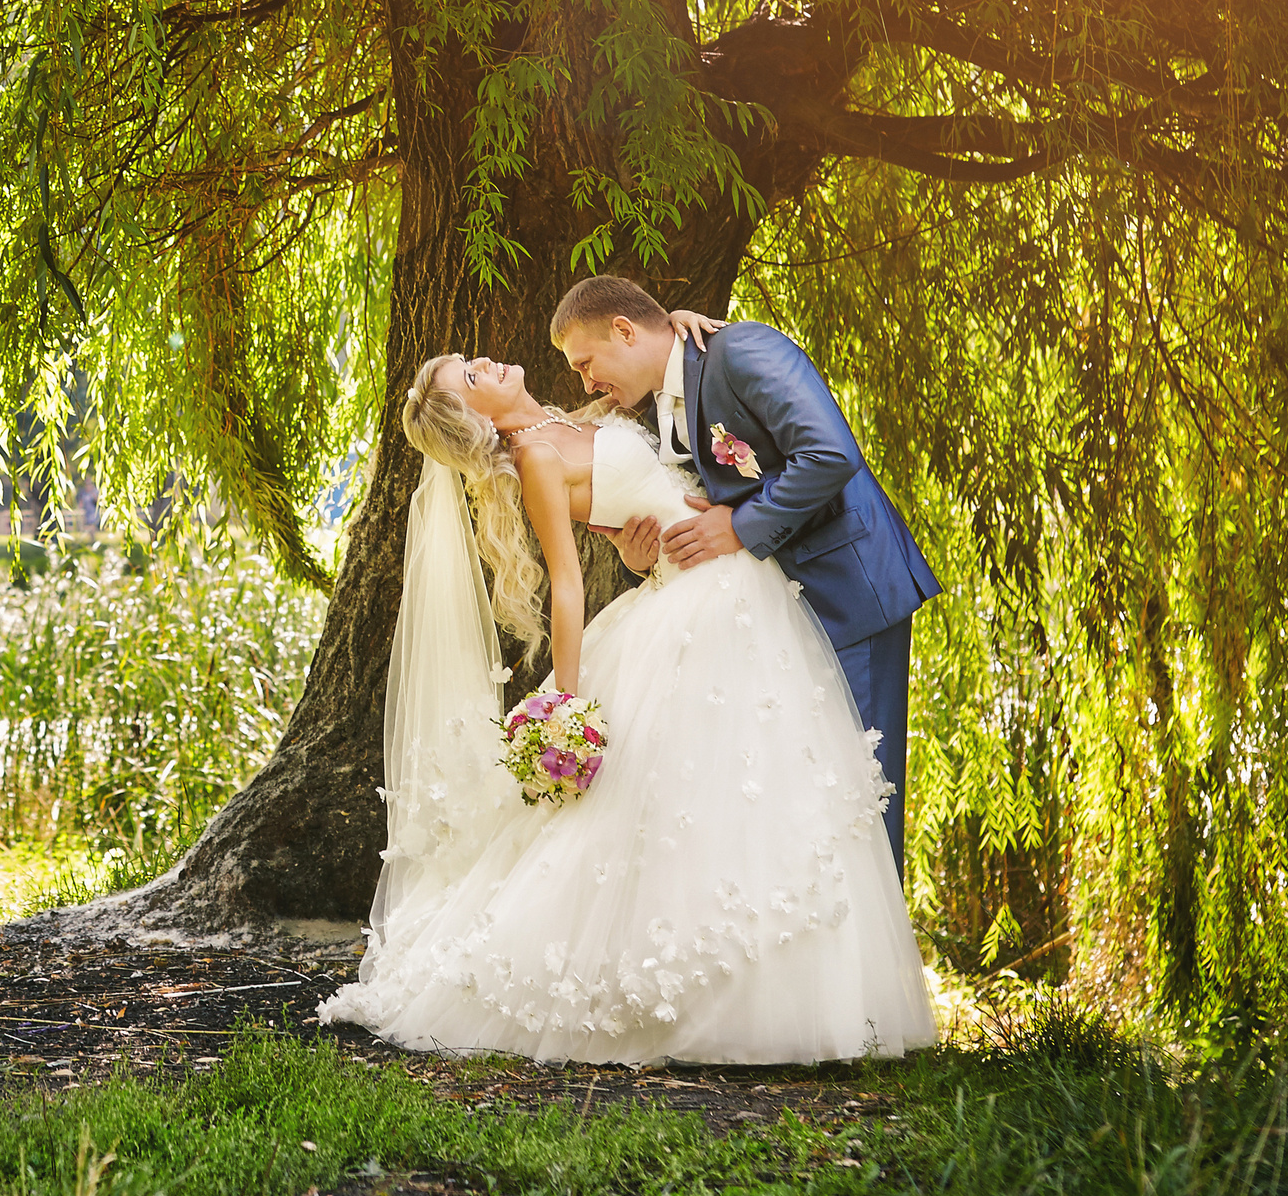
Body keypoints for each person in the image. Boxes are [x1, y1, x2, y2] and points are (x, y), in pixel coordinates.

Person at [316, 343, 934, 1066]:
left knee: (757, 782)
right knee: (713, 790)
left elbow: (630, 521)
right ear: (473, 418)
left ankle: (804, 977)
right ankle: (720, 996)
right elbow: (568, 583)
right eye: (473, 376)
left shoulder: (566, 418)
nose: (488, 362)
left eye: (475, 359)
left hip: (723, 580)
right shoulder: (538, 458)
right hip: (699, 598)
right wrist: (566, 704)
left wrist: (642, 548)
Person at [553, 276, 937, 872]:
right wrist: (643, 554)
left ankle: (870, 962)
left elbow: (830, 453)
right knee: (806, 799)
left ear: (625, 330)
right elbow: (702, 498)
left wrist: (739, 527)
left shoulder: (740, 350)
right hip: (772, 615)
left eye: (586, 363)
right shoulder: (662, 403)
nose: (586, 383)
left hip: (845, 594)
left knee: (863, 791)